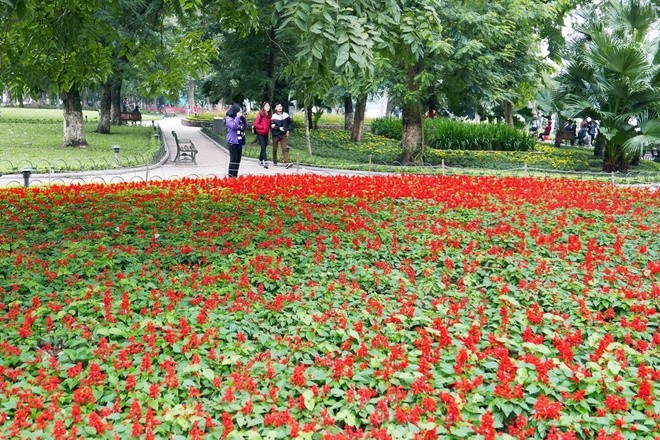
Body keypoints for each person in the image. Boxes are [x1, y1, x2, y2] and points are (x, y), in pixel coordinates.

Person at [270, 102, 294, 168]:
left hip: (283, 135)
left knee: (284, 148)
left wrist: (288, 130)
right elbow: (272, 127)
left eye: (280, 106)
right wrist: (278, 128)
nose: (279, 108)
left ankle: (286, 162)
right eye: (278, 107)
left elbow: (290, 123)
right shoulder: (273, 117)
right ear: (275, 108)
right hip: (275, 135)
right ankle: (275, 161)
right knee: (275, 149)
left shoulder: (286, 115)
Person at [225, 104, 245, 178]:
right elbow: (233, 126)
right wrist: (237, 117)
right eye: (239, 111)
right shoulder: (228, 118)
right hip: (232, 142)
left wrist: (243, 118)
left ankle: (235, 176)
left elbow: (245, 126)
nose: (240, 113)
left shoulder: (239, 118)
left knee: (238, 161)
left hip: (239, 141)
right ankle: (230, 176)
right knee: (233, 160)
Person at [254, 101, 271, 168]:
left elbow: (268, 124)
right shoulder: (260, 114)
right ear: (263, 107)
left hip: (266, 133)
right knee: (263, 147)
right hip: (260, 133)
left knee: (264, 147)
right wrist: (262, 127)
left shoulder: (269, 115)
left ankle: (260, 160)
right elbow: (256, 124)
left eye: (268, 106)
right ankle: (265, 161)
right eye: (266, 106)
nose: (267, 107)